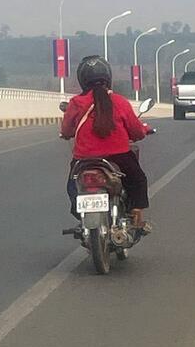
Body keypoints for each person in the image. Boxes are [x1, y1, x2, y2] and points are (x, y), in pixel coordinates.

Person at [61, 55, 152, 232]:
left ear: (82, 80)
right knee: (138, 180)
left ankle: (81, 214)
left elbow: (65, 130)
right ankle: (135, 214)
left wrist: (66, 134)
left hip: (84, 160)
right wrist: (143, 131)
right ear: (108, 77)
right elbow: (136, 130)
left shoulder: (76, 103)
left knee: (72, 186)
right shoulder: (119, 101)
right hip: (119, 157)